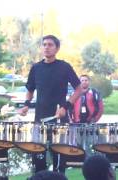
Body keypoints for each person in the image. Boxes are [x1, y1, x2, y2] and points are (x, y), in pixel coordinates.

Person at [18, 35, 82, 173]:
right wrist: (26, 105)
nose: (46, 47)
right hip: (39, 120)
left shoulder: (64, 67)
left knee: (59, 162)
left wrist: (66, 106)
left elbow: (79, 89)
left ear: (57, 48)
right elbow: (30, 89)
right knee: (38, 160)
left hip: (59, 119)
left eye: (50, 45)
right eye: (44, 44)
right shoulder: (36, 68)